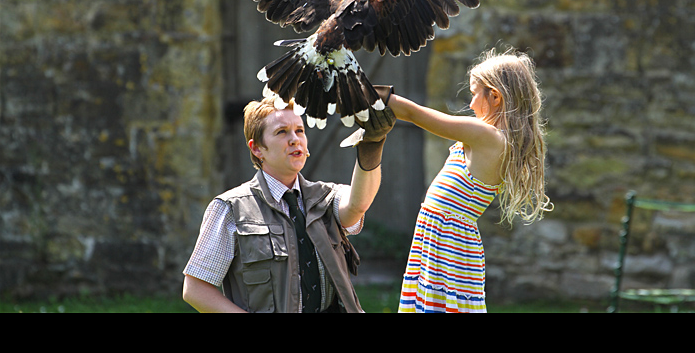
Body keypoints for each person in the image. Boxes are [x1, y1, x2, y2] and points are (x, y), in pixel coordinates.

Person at [182, 95, 395, 313]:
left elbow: (357, 206)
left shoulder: (326, 197)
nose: (295, 139)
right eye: (281, 132)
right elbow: (196, 288)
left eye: (300, 131)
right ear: (257, 149)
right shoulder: (230, 209)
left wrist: (372, 144)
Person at [389, 48, 553, 313]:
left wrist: (368, 93)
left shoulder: (487, 136)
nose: (472, 103)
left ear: (495, 97)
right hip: (444, 236)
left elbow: (413, 114)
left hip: (448, 241)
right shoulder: (493, 139)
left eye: (475, 94)